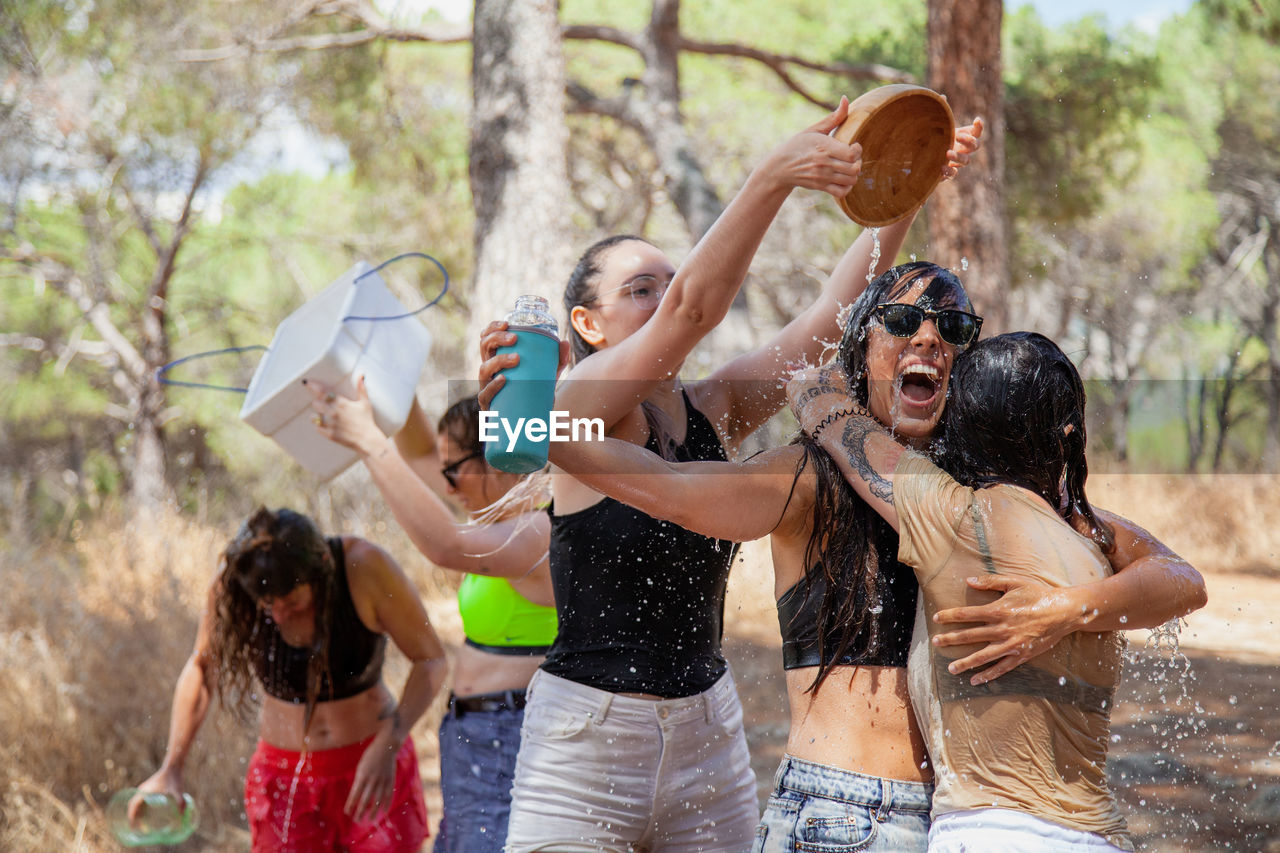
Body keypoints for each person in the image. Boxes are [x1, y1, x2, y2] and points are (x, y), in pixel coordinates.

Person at [548, 262, 1205, 851]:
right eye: (899, 320)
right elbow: (677, 493)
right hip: (846, 814)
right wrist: (525, 424)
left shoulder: (988, 500)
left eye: (951, 324)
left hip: (960, 823)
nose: (927, 337)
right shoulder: (812, 478)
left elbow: (1175, 578)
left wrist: (1064, 608)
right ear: (862, 348)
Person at [476, 98, 982, 851]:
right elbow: (692, 308)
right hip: (586, 741)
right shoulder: (582, 404)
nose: (664, 293)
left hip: (707, 733)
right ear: (587, 324)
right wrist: (771, 174)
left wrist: (902, 191)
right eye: (637, 288)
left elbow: (828, 319)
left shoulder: (713, 405)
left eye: (666, 277)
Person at [786, 331, 1197, 851]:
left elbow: (822, 409)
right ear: (1067, 433)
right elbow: (1187, 581)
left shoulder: (953, 517)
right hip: (1098, 836)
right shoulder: (1093, 538)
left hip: (993, 833)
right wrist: (1069, 607)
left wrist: (835, 364)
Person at [307, 384, 557, 853]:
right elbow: (420, 450)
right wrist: (385, 374)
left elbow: (444, 545)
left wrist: (370, 442)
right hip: (479, 736)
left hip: (512, 735)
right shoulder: (495, 517)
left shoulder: (539, 532)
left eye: (455, 470)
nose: (445, 486)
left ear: (501, 455)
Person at [132, 506, 448, 853]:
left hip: (373, 768)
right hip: (285, 781)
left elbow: (431, 660)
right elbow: (202, 669)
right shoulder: (237, 582)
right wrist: (171, 768)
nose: (280, 615)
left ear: (321, 570)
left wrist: (390, 742)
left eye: (294, 602)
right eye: (268, 604)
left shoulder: (363, 566)